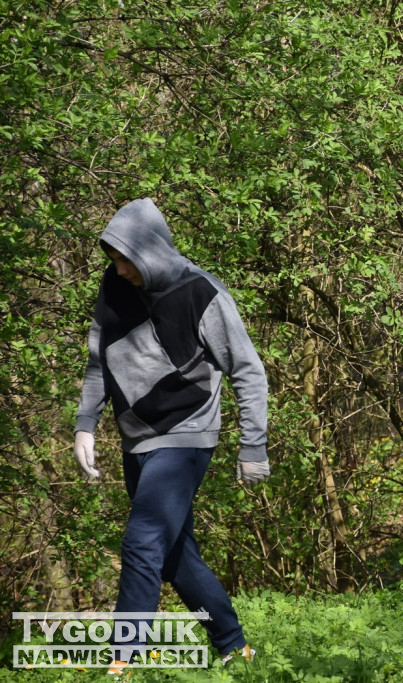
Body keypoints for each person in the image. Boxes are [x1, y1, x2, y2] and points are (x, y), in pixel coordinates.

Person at [72, 198, 270, 673]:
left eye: (126, 259)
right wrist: (85, 424)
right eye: (113, 258)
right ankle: (233, 646)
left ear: (151, 252)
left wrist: (253, 445)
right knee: (174, 554)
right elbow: (101, 359)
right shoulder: (114, 287)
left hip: (186, 435)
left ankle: (124, 662)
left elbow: (248, 371)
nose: (118, 270)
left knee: (142, 543)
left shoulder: (203, 293)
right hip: (135, 438)